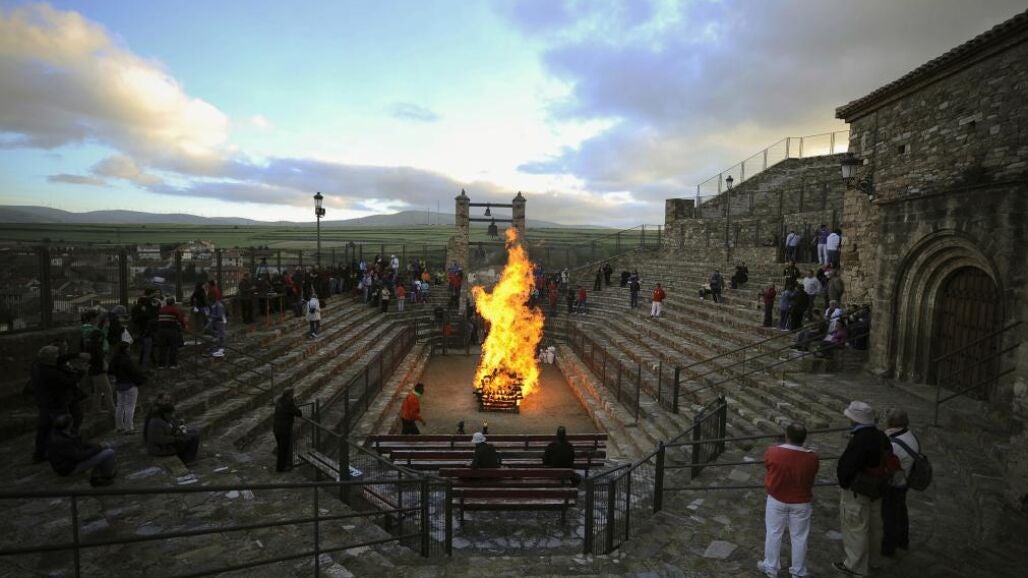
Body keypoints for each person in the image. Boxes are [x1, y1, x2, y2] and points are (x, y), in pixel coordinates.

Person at [834, 401, 891, 577]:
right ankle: (874, 560)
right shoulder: (881, 436)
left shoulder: (860, 440)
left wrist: (844, 482)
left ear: (855, 420)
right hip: (877, 489)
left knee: (856, 528)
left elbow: (848, 467)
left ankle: (855, 566)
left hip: (858, 490)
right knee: (875, 528)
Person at [758, 423, 819, 578]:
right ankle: (798, 572)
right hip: (801, 501)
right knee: (799, 537)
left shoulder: (773, 452)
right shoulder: (812, 458)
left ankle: (771, 567)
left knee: (773, 533)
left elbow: (768, 466)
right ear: (804, 439)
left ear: (787, 436)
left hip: (777, 498)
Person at [31, 344, 85, 462]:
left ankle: (40, 453)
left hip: (45, 401)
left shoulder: (38, 366)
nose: (58, 357)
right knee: (57, 427)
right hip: (54, 403)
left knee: (45, 428)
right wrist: (78, 375)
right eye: (56, 355)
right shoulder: (51, 372)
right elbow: (66, 382)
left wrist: (76, 355)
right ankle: (54, 451)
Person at [882, 407, 919, 557]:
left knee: (889, 515)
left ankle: (888, 547)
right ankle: (902, 540)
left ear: (891, 422)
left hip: (895, 483)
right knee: (901, 511)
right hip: (905, 479)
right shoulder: (910, 435)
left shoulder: (894, 445)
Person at [47, 414, 117, 487]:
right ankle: (105, 476)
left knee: (111, 445)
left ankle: (97, 474)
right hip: (69, 467)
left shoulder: (67, 432)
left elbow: (81, 444)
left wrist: (98, 445)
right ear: (69, 424)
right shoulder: (62, 441)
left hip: (74, 460)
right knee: (109, 452)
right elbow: (80, 456)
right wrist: (99, 448)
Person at [144, 393, 201, 464]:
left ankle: (187, 457)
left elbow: (172, 425)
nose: (172, 416)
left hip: (168, 441)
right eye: (165, 400)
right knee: (192, 438)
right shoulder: (156, 422)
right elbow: (160, 439)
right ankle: (187, 459)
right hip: (159, 448)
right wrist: (176, 438)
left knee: (194, 432)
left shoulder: (164, 417)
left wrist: (178, 427)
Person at [110, 330, 146, 434]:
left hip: (119, 384)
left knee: (120, 406)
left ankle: (119, 426)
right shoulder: (126, 360)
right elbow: (134, 372)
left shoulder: (115, 359)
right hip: (129, 385)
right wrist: (141, 380)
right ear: (126, 349)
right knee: (130, 407)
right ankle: (129, 428)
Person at [80, 308, 113, 413]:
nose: (98, 319)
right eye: (96, 317)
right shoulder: (92, 331)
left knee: (98, 389)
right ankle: (113, 412)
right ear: (91, 318)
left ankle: (96, 409)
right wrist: (102, 361)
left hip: (92, 362)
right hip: (97, 362)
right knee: (107, 390)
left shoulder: (86, 329)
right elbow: (100, 343)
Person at [274, 388, 303, 472]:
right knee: (283, 449)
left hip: (276, 428)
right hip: (284, 430)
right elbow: (298, 413)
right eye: (292, 394)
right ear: (290, 395)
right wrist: (293, 404)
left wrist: (292, 402)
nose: (293, 395)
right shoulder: (289, 404)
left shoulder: (279, 401)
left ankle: (282, 466)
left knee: (281, 448)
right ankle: (281, 468)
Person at [156, 297, 186, 368]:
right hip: (171, 330)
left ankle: (161, 365)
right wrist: (184, 326)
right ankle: (172, 364)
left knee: (162, 348)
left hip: (161, 331)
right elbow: (181, 319)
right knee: (173, 347)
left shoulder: (161, 310)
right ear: (173, 303)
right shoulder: (174, 310)